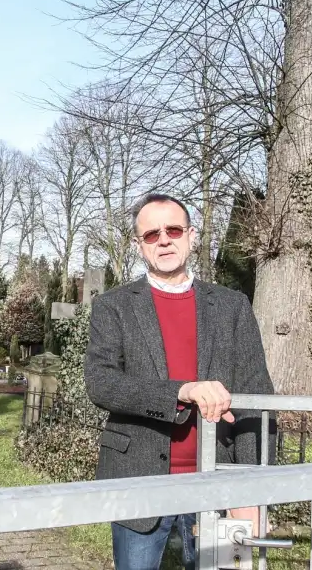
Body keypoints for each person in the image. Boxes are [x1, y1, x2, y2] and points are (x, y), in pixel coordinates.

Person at [84, 193, 275, 570]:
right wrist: (181, 391)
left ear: (191, 236)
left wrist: (251, 488)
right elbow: (101, 382)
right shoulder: (113, 305)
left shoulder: (232, 305)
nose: (164, 240)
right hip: (137, 478)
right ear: (140, 246)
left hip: (218, 481)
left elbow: (257, 396)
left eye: (173, 229)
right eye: (152, 234)